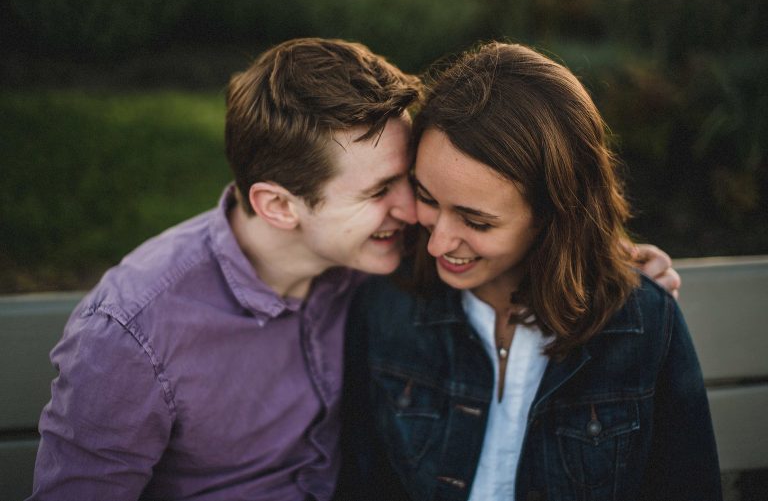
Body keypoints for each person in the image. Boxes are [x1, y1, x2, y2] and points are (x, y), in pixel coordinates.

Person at [29, 37, 678, 501]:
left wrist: (596, 251)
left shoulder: (373, 263)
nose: (414, 212)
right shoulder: (133, 332)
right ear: (279, 205)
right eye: (380, 191)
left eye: (411, 181)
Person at [338, 42, 720, 501]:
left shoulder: (642, 324)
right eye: (427, 198)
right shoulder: (387, 303)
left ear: (551, 214)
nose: (438, 242)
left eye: (477, 221)